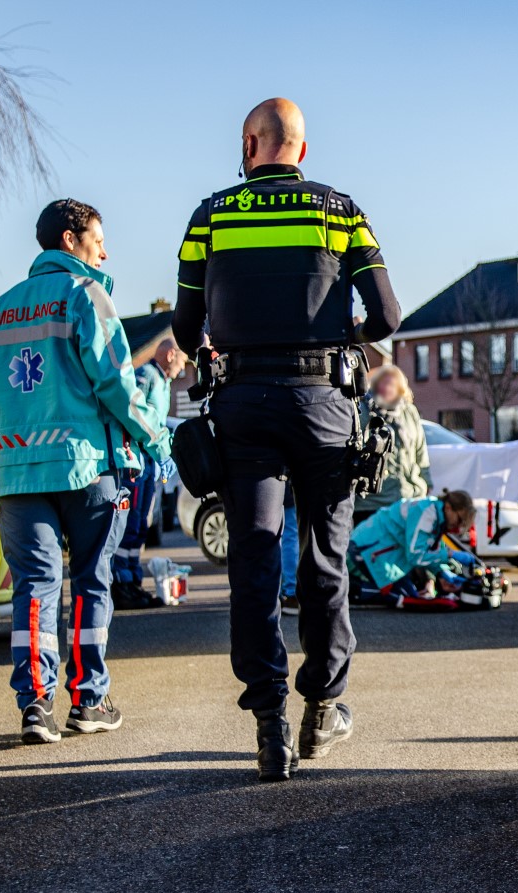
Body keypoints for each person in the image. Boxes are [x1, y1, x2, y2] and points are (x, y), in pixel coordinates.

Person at [172, 97, 401, 782]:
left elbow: (187, 329)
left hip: (242, 404)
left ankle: (268, 722)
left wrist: (230, 341)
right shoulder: (339, 212)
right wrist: (338, 340)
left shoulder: (209, 216)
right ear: (300, 148)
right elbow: (387, 315)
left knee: (255, 559)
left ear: (251, 144)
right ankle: (322, 707)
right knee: (326, 560)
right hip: (323, 404)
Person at [0, 198, 173, 745]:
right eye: (98, 237)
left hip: (17, 475)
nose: (104, 250)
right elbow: (116, 383)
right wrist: (154, 437)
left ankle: (35, 707)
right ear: (70, 238)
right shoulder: (86, 296)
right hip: (87, 469)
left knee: (35, 589)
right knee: (91, 581)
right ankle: (88, 701)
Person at [112, 339, 185, 608]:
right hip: (137, 462)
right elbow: (131, 415)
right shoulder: (146, 376)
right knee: (130, 525)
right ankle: (122, 583)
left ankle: (132, 581)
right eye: (181, 360)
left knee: (141, 526)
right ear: (170, 354)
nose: (183, 367)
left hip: (149, 463)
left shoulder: (162, 381)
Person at [349, 490, 477, 598]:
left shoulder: (437, 514)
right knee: (403, 597)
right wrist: (450, 554)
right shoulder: (426, 513)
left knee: (411, 596)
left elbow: (429, 549)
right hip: (366, 548)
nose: (459, 526)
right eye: (460, 519)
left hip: (381, 552)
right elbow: (416, 556)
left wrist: (441, 572)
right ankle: (346, 589)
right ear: (448, 507)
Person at [350, 364, 430, 526]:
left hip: (410, 496)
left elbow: (420, 450)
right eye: (382, 382)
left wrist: (427, 481)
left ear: (401, 388)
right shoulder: (363, 410)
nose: (386, 387)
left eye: (391, 383)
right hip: (372, 501)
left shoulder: (409, 412)